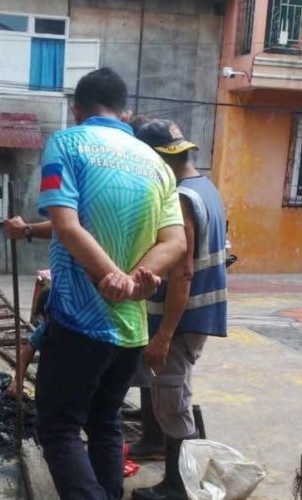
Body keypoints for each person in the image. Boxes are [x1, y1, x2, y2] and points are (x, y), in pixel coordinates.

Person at [30, 68, 187, 500]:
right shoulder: (157, 164)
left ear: (76, 109)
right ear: (125, 112)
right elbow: (175, 242)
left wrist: (110, 277)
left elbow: (65, 224)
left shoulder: (67, 143)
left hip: (80, 320)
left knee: (59, 427)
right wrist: (135, 283)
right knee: (105, 422)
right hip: (132, 329)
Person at [130, 119, 228, 500]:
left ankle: (178, 486)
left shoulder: (182, 198)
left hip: (182, 317)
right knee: (173, 392)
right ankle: (178, 472)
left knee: (173, 399)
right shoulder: (207, 188)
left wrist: (164, 335)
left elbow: (184, 272)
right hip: (197, 315)